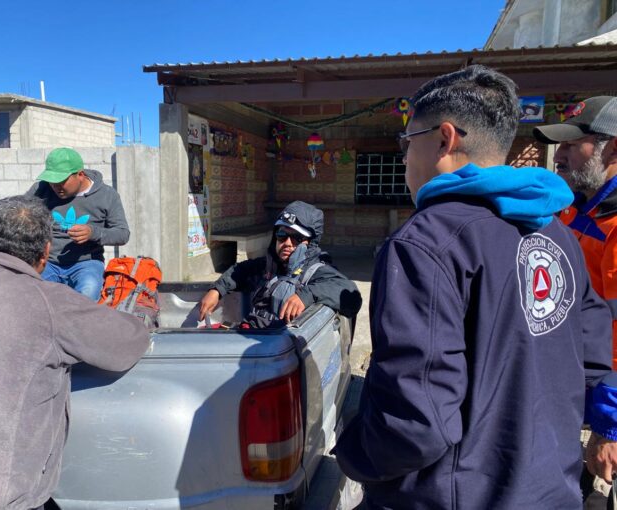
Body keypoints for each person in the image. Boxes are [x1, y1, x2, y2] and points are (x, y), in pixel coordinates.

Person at [334, 65, 617, 509]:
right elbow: (594, 353)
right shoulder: (557, 233)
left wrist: (352, 452)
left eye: (407, 143)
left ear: (444, 139)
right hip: (550, 491)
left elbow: (416, 421)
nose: (404, 158)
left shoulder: (425, 243)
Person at [0, 196, 150, 510]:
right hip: (2, 499)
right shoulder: (49, 303)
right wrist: (141, 316)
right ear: (45, 252)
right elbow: (127, 342)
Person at [534, 97, 617, 508]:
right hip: (571, 391)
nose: (559, 155)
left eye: (572, 145)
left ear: (613, 149)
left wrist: (609, 427)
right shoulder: (577, 211)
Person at [198, 200, 362, 328]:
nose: (287, 243)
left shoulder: (317, 272)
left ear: (309, 242)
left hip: (282, 351)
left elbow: (350, 293)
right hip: (251, 336)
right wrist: (217, 289)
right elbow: (239, 270)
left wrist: (306, 295)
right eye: (282, 235)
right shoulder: (267, 266)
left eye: (297, 237)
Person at [26, 147, 130, 301]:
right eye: (52, 182)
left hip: (86, 263)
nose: (55, 187)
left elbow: (122, 234)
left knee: (87, 297)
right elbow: (20, 213)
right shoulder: (41, 189)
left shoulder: (107, 195)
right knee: (31, 297)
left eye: (61, 181)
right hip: (48, 262)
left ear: (80, 174)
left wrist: (93, 233)